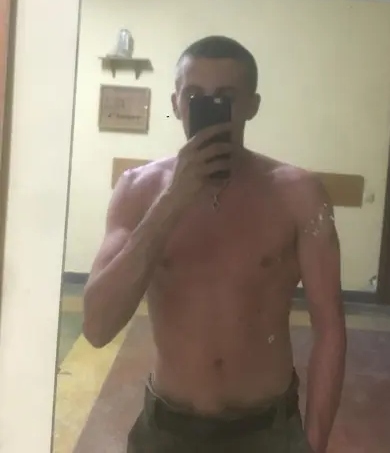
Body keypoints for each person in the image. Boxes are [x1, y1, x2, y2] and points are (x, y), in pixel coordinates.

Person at [83, 35, 347, 452]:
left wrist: (313, 444)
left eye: (225, 97)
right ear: (175, 104)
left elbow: (329, 326)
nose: (207, 107)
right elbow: (97, 327)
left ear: (251, 106)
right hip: (166, 431)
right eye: (194, 95)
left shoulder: (297, 194)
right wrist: (172, 201)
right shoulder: (138, 190)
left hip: (268, 431)